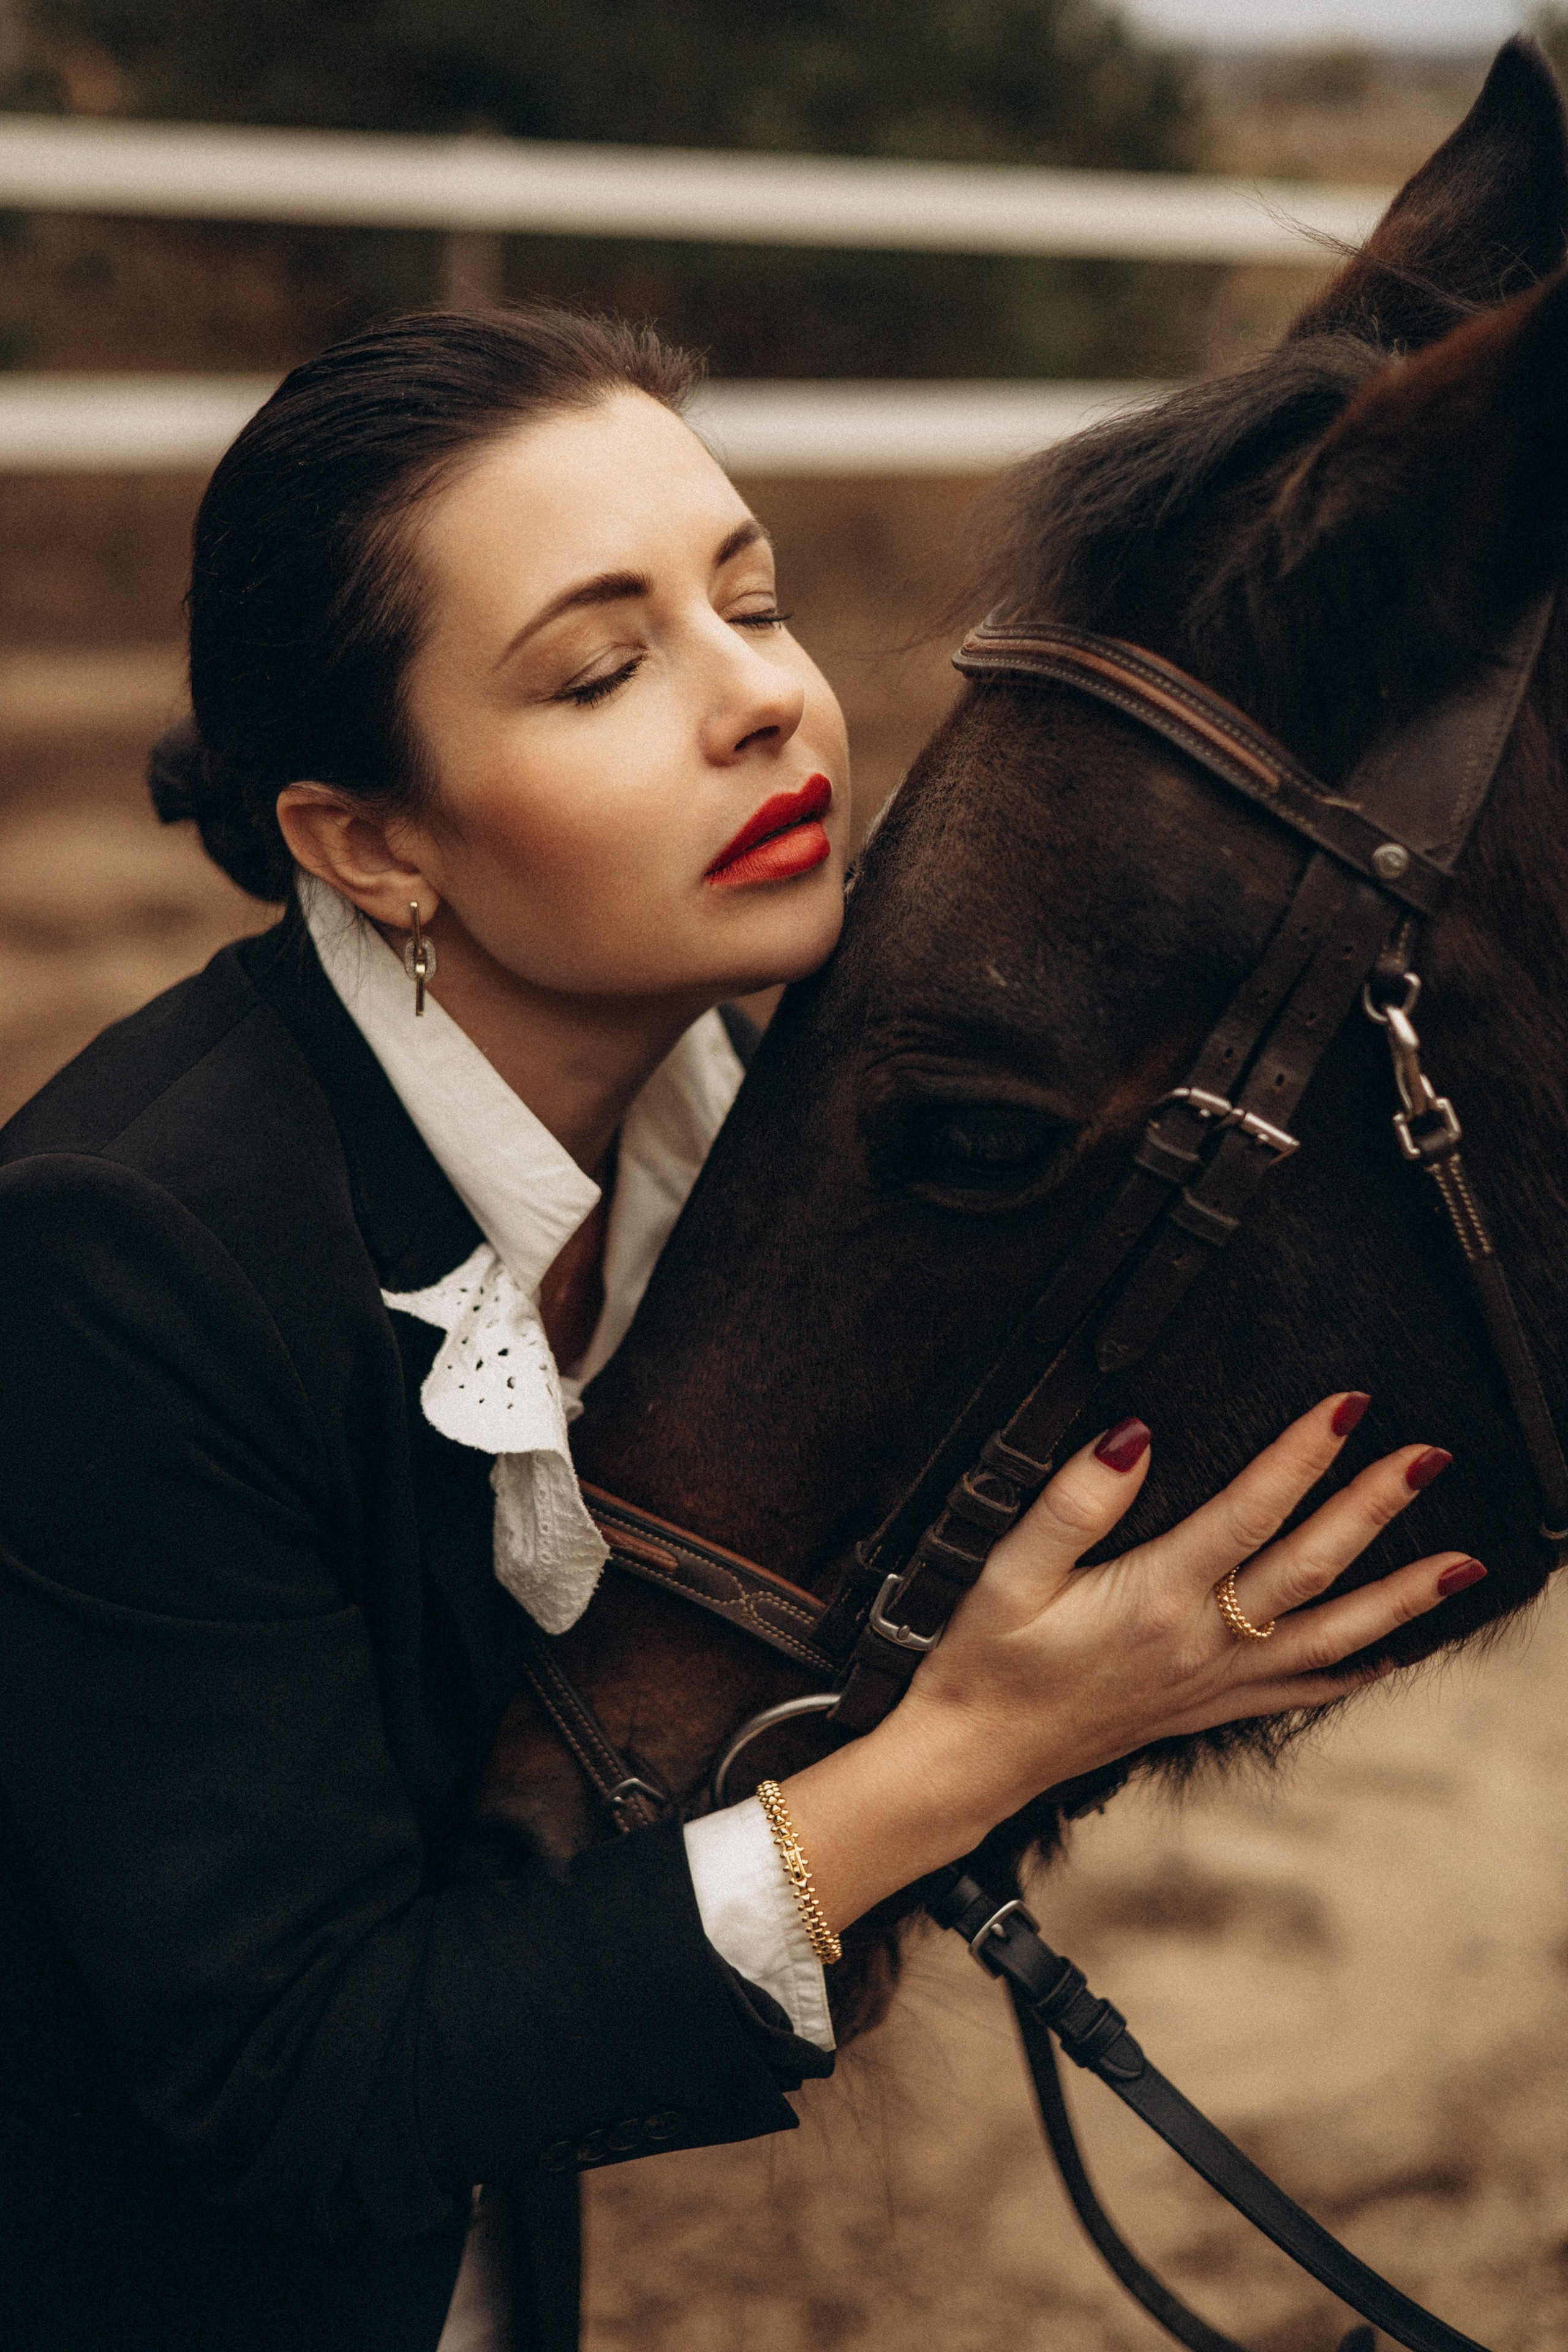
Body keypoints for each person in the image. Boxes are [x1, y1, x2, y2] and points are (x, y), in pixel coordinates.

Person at [0, 306, 1482, 2352]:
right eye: (603, 670)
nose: (765, 700)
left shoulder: (790, 1104)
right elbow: (301, 2083)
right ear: (372, 845)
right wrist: (967, 1759)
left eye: (752, 602)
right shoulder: (121, 1269)